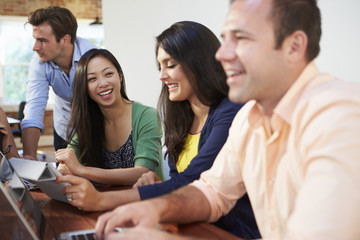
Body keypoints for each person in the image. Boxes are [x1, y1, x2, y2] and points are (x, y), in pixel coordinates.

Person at [94, 0, 360, 239]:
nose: (221, 54)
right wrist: (155, 207)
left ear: (294, 46)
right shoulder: (249, 117)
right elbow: (212, 191)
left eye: (241, 39)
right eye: (225, 40)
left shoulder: (340, 117)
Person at [56, 21, 259, 238]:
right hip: (190, 226)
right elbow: (178, 183)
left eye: (170, 65)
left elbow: (193, 182)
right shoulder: (180, 116)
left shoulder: (231, 111)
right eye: (160, 67)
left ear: (198, 63)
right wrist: (158, 184)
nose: (162, 76)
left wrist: (99, 199)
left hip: (232, 232)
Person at [55, 48, 164, 187]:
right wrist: (63, 169)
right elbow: (67, 162)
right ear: (85, 87)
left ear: (120, 75)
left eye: (108, 74)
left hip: (149, 202)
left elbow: (142, 172)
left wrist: (81, 170)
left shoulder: (146, 116)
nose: (103, 83)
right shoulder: (87, 122)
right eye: (92, 79)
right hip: (106, 202)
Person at [20, 6, 97, 160]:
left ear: (65, 40)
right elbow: (35, 105)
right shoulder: (39, 61)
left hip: (94, 125)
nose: (35, 47)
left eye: (42, 40)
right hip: (64, 127)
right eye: (35, 39)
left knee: (95, 179)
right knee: (62, 180)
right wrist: (29, 156)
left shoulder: (92, 57)